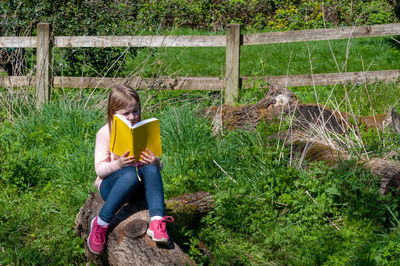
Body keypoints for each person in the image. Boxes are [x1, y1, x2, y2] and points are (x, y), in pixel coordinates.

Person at [87, 84, 173, 254]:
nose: (132, 117)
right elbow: (99, 170)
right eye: (126, 114)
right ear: (113, 113)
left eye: (135, 111)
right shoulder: (105, 133)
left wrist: (155, 162)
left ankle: (157, 222)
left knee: (150, 168)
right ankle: (101, 223)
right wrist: (118, 164)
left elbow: (156, 170)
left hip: (139, 189)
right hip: (112, 187)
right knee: (129, 174)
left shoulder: (142, 130)